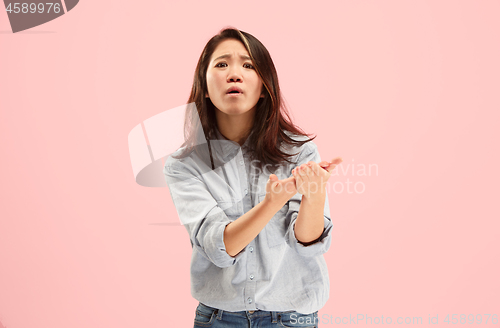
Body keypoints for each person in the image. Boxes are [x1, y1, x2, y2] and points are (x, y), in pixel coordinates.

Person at [163, 27, 342, 328]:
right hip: (218, 320)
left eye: (248, 65)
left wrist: (315, 193)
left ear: (264, 86)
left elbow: (308, 243)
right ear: (204, 86)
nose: (235, 74)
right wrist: (272, 203)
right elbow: (220, 247)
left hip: (292, 319)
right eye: (222, 64)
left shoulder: (299, 152)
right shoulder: (185, 165)